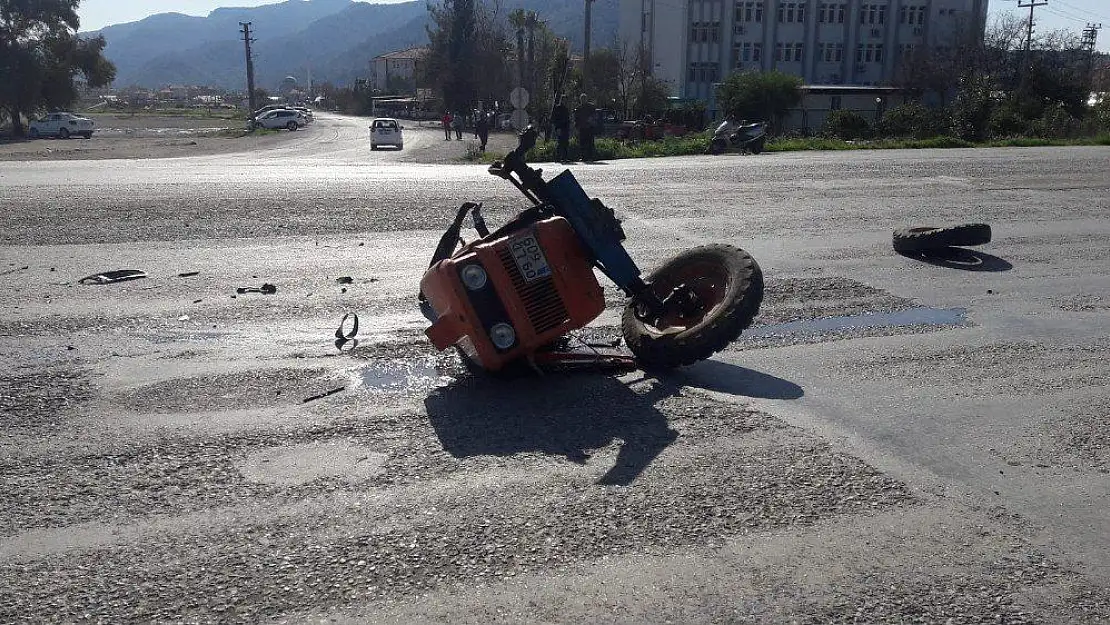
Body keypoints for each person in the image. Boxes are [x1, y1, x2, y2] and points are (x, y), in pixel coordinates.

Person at [573, 93, 597, 161]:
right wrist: (576, 126)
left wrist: (591, 120)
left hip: (589, 127)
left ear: (586, 99)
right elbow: (576, 118)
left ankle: (591, 157)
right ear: (580, 100)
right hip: (582, 128)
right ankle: (583, 157)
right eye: (582, 99)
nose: (583, 100)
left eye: (584, 99)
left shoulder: (591, 107)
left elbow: (594, 115)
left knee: (590, 143)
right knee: (582, 143)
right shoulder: (578, 108)